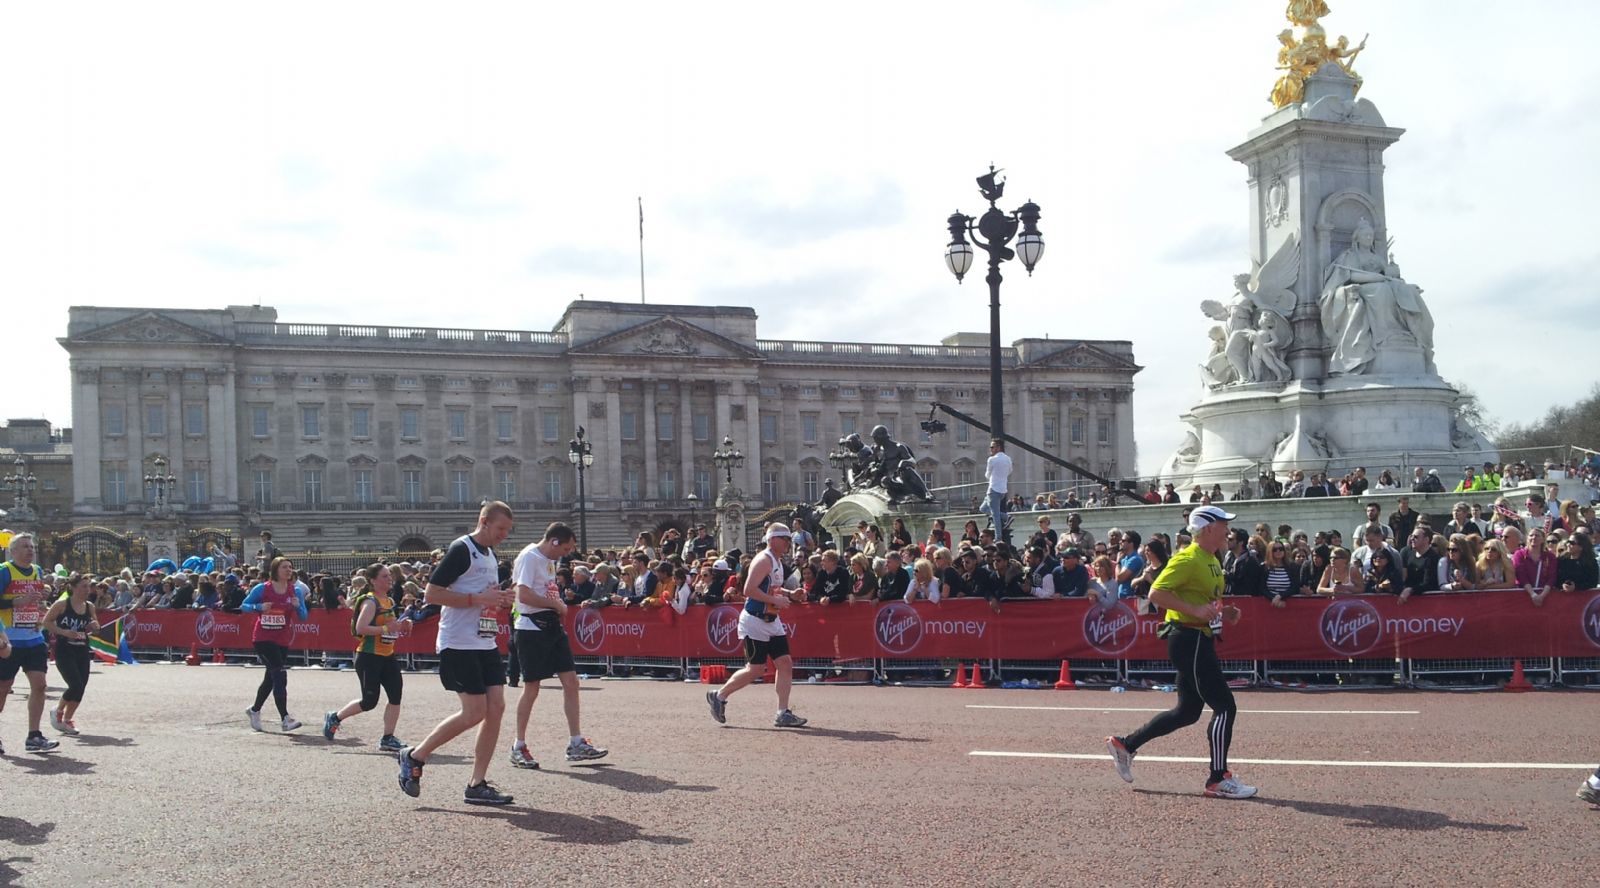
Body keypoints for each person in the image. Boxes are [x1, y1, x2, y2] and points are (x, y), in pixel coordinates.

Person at [1106, 505, 1254, 799]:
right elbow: (1156, 593)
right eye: (1224, 525)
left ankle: (1126, 744)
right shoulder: (1187, 557)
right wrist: (1197, 611)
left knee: (1186, 712)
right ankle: (1218, 778)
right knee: (1225, 706)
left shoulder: (1211, 559)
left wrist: (1225, 613)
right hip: (1188, 638)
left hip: (1197, 636)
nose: (1229, 531)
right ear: (1209, 528)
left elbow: (1203, 601)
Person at [395, 501, 518, 805]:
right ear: (484, 521)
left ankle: (477, 783)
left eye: (507, 530)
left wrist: (500, 598)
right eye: (501, 528)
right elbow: (432, 593)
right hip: (459, 642)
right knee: (474, 712)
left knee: (497, 708)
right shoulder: (462, 548)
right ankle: (415, 755)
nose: (505, 535)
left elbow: (481, 595)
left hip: (484, 641)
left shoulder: (490, 553)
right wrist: (478, 598)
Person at [509, 522, 607, 770]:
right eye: (565, 547)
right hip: (531, 628)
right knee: (532, 687)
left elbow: (546, 591)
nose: (566, 553)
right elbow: (523, 594)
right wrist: (555, 605)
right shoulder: (530, 557)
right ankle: (518, 745)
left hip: (552, 626)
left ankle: (575, 742)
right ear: (554, 541)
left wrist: (556, 603)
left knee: (571, 682)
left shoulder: (548, 560)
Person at [706, 523, 807, 728]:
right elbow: (749, 590)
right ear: (772, 540)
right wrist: (777, 600)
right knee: (756, 668)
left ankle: (782, 712)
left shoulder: (777, 561)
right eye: (784, 538)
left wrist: (789, 595)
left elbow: (773, 588)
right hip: (755, 620)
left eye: (789, 539)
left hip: (771, 619)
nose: (788, 542)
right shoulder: (764, 560)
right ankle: (719, 695)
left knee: (785, 663)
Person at [323, 563, 411, 751]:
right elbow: (360, 628)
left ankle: (388, 737)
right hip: (369, 656)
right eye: (384, 576)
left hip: (388, 655)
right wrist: (388, 628)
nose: (389, 579)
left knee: (396, 696)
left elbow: (390, 625)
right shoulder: (370, 602)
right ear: (373, 581)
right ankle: (335, 717)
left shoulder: (388, 600)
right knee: (369, 702)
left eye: (389, 576)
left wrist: (404, 625)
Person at [0, 534, 59, 753]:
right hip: (9, 639)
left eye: (32, 546)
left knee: (40, 685)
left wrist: (44, 597)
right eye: (25, 546)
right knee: (3, 688)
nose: (30, 550)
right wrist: (15, 601)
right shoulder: (4, 571)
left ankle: (34, 736)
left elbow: (37, 600)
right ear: (13, 551)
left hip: (33, 637)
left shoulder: (37, 570)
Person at [241, 556, 310, 733]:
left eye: (290, 567)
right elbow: (244, 605)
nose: (288, 570)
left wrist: (297, 607)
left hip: (282, 639)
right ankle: (285, 718)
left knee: (271, 678)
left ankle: (254, 710)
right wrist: (259, 607)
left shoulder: (295, 591)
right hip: (263, 638)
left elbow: (303, 616)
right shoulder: (262, 588)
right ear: (275, 570)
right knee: (280, 674)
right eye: (284, 567)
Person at [42, 572, 100, 736]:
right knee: (75, 684)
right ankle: (58, 711)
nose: (87, 590)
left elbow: (94, 627)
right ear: (73, 588)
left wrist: (94, 626)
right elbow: (46, 622)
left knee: (81, 687)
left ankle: (68, 720)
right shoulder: (62, 605)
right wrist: (64, 632)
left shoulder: (89, 606)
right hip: (64, 649)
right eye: (83, 587)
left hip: (82, 649)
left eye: (89, 586)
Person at [985, 439, 1013, 541]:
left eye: (992, 447)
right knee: (983, 508)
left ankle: (998, 538)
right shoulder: (1008, 458)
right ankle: (1005, 516)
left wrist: (993, 476)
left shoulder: (992, 459)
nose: (991, 449)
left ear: (998, 447)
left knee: (995, 516)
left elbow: (987, 475)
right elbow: (1010, 471)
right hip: (1003, 489)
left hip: (993, 489)